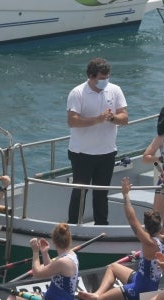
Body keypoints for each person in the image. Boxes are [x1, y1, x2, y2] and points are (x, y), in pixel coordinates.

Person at [77, 177, 164, 300]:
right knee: (113, 267)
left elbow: (131, 219)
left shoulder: (149, 243)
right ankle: (97, 293)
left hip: (141, 289)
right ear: (161, 226)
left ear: (146, 227)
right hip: (143, 280)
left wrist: (125, 195)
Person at [66, 57, 128, 226]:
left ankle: (101, 226)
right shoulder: (77, 92)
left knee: (101, 193)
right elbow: (72, 121)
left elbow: (124, 117)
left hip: (107, 152)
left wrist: (112, 118)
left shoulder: (115, 90)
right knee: (80, 192)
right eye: (101, 78)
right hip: (81, 153)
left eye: (107, 78)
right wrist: (98, 119)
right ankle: (73, 225)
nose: (105, 81)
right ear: (91, 77)